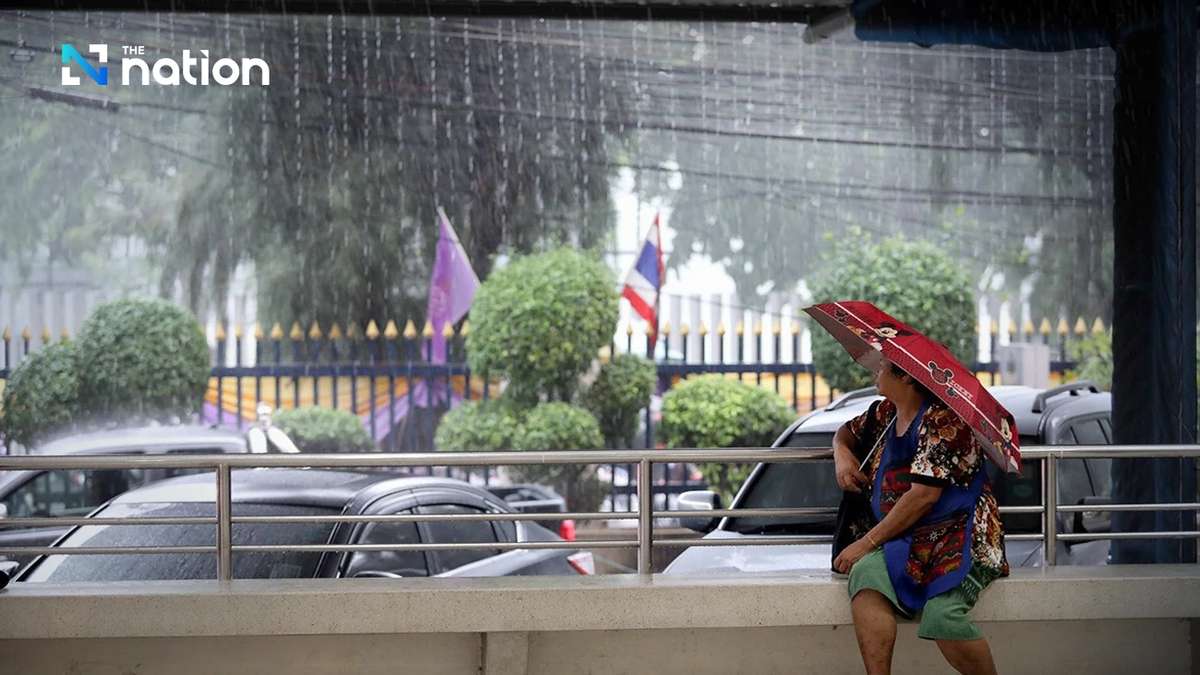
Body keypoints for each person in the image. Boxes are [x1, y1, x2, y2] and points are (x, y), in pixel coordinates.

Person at [832, 361, 1008, 675]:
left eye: (882, 368)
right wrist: (843, 456)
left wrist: (866, 543)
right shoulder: (885, 414)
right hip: (907, 535)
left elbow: (923, 495)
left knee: (942, 617)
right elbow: (845, 433)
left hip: (962, 535)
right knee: (867, 578)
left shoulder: (943, 420)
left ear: (907, 378)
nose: (876, 373)